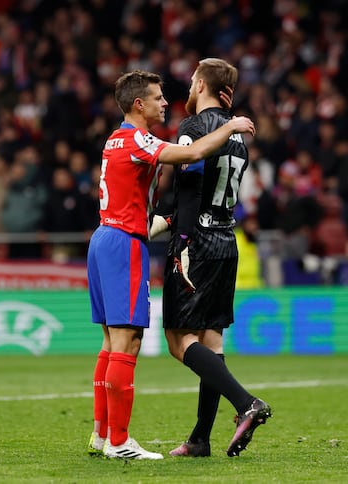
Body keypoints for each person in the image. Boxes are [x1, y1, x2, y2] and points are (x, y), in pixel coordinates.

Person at [86, 69, 256, 460]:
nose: (166, 103)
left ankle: (101, 434)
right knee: (127, 340)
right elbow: (193, 153)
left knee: (110, 342)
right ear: (138, 104)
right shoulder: (137, 139)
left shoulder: (115, 138)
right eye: (159, 98)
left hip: (103, 237)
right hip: (125, 242)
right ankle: (119, 442)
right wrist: (231, 125)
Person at [159, 58, 272, 458]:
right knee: (212, 339)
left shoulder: (194, 128)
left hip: (199, 242)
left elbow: (188, 184)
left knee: (178, 340)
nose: (188, 87)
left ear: (202, 84)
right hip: (227, 238)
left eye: (192, 80)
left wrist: (182, 240)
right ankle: (200, 439)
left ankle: (246, 403)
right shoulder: (239, 134)